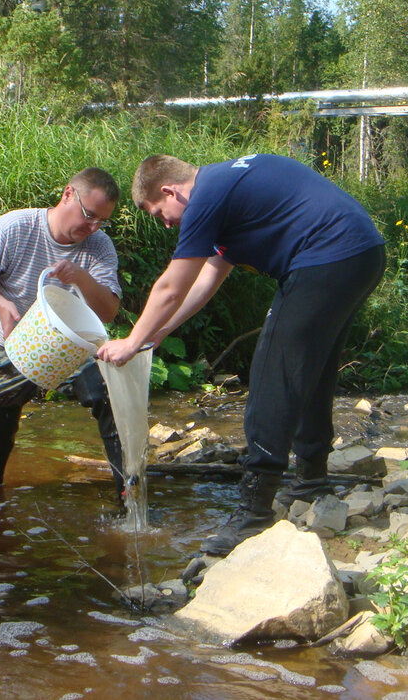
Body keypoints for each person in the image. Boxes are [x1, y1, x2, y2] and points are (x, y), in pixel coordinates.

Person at [97, 153, 386, 556]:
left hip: (327, 254)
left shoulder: (206, 195)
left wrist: (130, 341)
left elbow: (171, 287)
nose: (164, 223)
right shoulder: (226, 188)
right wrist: (154, 335)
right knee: (310, 371)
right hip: (362, 251)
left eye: (158, 212)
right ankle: (312, 479)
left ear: (169, 190)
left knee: (272, 375)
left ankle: (254, 510)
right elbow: (205, 281)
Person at [0, 167, 127, 499]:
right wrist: (2, 305)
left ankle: (129, 496)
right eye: (89, 216)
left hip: (69, 344)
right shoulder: (15, 227)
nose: (92, 228)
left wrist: (80, 277)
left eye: (101, 221)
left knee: (111, 392)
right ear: (67, 195)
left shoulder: (99, 246)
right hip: (4, 342)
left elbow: (107, 311)